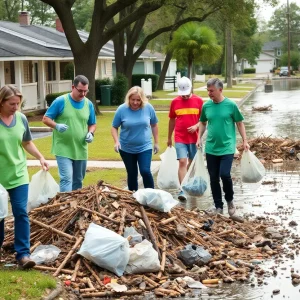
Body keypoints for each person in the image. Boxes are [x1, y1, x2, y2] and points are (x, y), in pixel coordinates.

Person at [0, 85, 49, 269]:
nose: (15, 107)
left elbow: (27, 142)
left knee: (21, 212)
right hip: (0, 179)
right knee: (0, 216)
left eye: (18, 104)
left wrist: (41, 158)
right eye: (12, 104)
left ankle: (23, 255)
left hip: (18, 174)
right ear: (2, 102)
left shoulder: (21, 119)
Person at [197, 78, 250, 216]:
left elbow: (239, 123)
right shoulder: (206, 106)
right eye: (208, 91)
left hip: (227, 147)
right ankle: (218, 207)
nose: (209, 93)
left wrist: (245, 140)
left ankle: (230, 201)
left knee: (225, 174)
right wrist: (198, 138)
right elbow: (202, 122)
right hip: (211, 148)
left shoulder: (231, 105)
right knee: (213, 178)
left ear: (220, 90)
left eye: (212, 91)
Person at [42, 75, 96, 192]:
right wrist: (56, 125)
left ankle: (75, 207)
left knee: (78, 180)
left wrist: (91, 133)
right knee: (66, 179)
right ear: (73, 87)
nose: (83, 94)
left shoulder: (88, 104)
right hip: (63, 148)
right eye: (80, 90)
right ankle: (65, 205)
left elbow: (92, 124)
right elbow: (46, 118)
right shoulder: (61, 101)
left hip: (81, 148)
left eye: (85, 91)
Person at [111, 86, 159, 191]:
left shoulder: (148, 108)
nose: (135, 102)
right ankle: (133, 197)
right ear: (129, 98)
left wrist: (156, 142)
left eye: (138, 100)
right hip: (126, 148)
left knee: (145, 171)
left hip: (145, 146)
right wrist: (116, 141)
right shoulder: (122, 109)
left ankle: (151, 196)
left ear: (142, 99)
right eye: (133, 100)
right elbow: (114, 127)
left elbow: (154, 125)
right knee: (132, 173)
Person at [167, 76, 203, 201]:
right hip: (180, 137)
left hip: (195, 138)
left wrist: (196, 126)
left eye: (187, 94)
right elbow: (171, 120)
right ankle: (183, 189)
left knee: (192, 164)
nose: (185, 97)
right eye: (183, 95)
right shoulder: (175, 102)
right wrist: (169, 137)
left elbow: (204, 120)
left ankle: (190, 185)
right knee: (182, 161)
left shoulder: (199, 101)